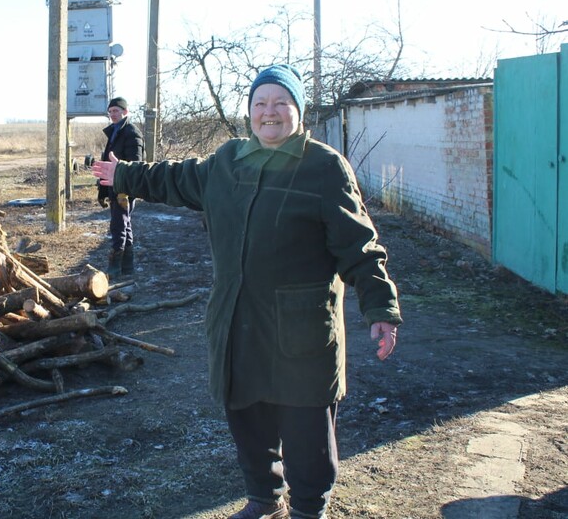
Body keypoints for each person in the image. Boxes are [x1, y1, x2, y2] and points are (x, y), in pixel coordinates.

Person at [92, 65, 401, 519]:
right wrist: (124, 175)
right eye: (260, 104)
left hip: (300, 328)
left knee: (305, 431)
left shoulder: (323, 167)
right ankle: (264, 500)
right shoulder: (228, 161)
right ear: (250, 113)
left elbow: (359, 246)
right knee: (248, 420)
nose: (269, 113)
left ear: (297, 111)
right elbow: (174, 178)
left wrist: (380, 306)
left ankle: (308, 509)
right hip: (238, 321)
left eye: (280, 103)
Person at [97, 96, 144, 278]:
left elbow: (136, 163)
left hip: (125, 187)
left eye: (116, 111)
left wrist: (125, 189)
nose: (112, 115)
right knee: (125, 224)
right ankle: (127, 266)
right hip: (113, 185)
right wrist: (102, 191)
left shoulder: (132, 132)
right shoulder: (115, 132)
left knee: (118, 225)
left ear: (125, 112)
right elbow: (106, 163)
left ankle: (115, 266)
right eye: (110, 112)